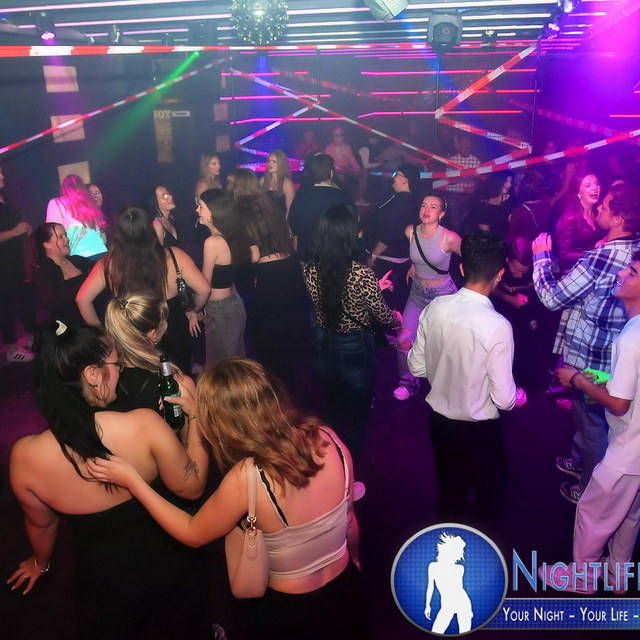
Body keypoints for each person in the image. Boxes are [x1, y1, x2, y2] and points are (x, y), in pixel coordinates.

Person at [87, 357, 366, 640]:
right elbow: (350, 520)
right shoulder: (329, 439)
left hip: (292, 614)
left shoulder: (249, 477)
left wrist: (134, 482)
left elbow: (192, 532)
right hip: (347, 590)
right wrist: (355, 560)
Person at [7, 322, 211, 639]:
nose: (121, 370)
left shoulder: (24, 457)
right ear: (92, 374)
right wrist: (195, 416)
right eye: (117, 364)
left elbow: (41, 524)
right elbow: (193, 487)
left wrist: (40, 563)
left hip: (104, 585)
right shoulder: (143, 425)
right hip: (169, 568)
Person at [532, 183, 640, 504]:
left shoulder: (601, 257)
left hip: (591, 358)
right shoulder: (633, 248)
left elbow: (552, 298)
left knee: (592, 424)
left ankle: (589, 488)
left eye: (605, 206)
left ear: (618, 219)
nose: (599, 209)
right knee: (587, 420)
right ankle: (582, 462)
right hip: (609, 353)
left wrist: (541, 258)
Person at [540, 251, 640, 594]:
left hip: (628, 451)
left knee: (592, 513)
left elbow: (620, 404)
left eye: (632, 272)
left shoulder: (630, 338)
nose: (622, 274)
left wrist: (577, 380)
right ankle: (617, 577)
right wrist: (604, 377)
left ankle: (581, 579)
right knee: (629, 515)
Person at [407, 230, 516, 528]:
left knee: (449, 491)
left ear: (463, 268)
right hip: (479, 431)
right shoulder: (497, 326)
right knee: (490, 497)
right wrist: (517, 395)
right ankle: (478, 545)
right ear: (500, 274)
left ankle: (449, 542)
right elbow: (504, 400)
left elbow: (416, 367)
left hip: (439, 424)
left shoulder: (435, 308)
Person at [305, 204, 400, 464]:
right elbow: (382, 315)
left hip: (322, 344)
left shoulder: (311, 267)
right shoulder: (361, 273)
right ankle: (351, 471)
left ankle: (332, 465)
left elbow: (334, 294)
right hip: (354, 348)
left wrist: (373, 287)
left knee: (332, 408)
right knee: (358, 415)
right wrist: (397, 319)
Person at [76, 206, 210, 373]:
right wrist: (192, 310)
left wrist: (103, 335)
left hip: (132, 332)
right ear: (149, 229)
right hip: (171, 325)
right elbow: (204, 289)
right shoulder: (174, 255)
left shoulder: (110, 264)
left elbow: (82, 299)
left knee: (141, 379)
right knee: (178, 377)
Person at [235, 193, 309, 391]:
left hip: (270, 280)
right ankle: (290, 385)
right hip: (290, 271)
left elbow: (251, 259)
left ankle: (275, 388)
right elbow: (293, 244)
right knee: (289, 336)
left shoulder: (248, 230)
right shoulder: (278, 223)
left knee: (269, 341)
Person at [394, 194, 461, 401]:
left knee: (445, 345)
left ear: (441, 214)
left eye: (433, 207)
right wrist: (415, 265)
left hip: (442, 296)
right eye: (424, 205)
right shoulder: (410, 232)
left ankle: (447, 387)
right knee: (403, 340)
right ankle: (408, 383)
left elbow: (471, 257)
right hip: (416, 294)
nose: (427, 210)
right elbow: (419, 254)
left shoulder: (449, 237)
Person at [197, 189, 249, 365]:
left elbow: (204, 286)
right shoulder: (232, 236)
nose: (197, 210)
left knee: (221, 367)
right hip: (233, 303)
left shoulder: (212, 242)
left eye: (201, 206)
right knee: (235, 362)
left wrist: (194, 310)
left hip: (220, 310)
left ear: (213, 212)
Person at [104, 290, 173, 413]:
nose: (166, 324)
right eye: (164, 321)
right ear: (153, 334)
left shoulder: (107, 376)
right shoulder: (168, 380)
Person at [363, 164, 420, 310]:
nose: (393, 177)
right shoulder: (401, 198)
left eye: (396, 174)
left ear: (405, 180)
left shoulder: (403, 203)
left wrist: (374, 254)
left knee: (379, 302)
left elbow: (390, 233)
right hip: (390, 258)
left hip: (386, 260)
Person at [289, 153, 354, 263]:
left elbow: (294, 230)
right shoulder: (344, 197)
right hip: (335, 258)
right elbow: (352, 227)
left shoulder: (300, 197)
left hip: (307, 257)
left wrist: (297, 255)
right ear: (331, 173)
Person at [0, 166, 35, 362]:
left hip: (17, 259)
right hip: (3, 263)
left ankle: (31, 338)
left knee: (26, 297)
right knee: (6, 304)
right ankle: (12, 348)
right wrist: (15, 232)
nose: (2, 176)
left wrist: (25, 228)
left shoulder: (5, 198)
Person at [32, 223, 95, 327]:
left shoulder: (76, 260)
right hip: (72, 328)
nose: (67, 239)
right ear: (46, 244)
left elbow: (100, 268)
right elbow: (52, 302)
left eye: (65, 235)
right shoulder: (43, 271)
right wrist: (87, 285)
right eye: (61, 236)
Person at [46, 174, 107, 260]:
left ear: (64, 188)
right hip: (101, 251)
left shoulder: (56, 203)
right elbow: (100, 233)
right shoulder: (88, 203)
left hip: (80, 255)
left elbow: (51, 231)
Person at [554, 172, 603, 273]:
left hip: (591, 266)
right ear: (578, 193)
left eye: (597, 184)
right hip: (575, 271)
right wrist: (594, 250)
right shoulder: (570, 218)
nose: (595, 188)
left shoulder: (598, 210)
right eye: (588, 185)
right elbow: (564, 255)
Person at [425, 532, 473, 634]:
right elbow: (430, 587)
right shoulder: (433, 566)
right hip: (447, 605)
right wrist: (427, 605)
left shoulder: (460, 568)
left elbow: (459, 588)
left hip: (463, 603)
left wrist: (468, 611)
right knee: (436, 631)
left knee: (465, 633)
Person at [325, 127, 368, 206]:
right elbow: (327, 163)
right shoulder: (329, 148)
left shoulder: (347, 147)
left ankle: (358, 199)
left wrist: (358, 169)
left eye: (341, 136)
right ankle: (341, 201)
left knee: (364, 176)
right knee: (340, 177)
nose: (340, 138)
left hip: (346, 170)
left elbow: (352, 159)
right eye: (337, 136)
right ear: (334, 138)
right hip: (334, 171)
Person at [507, 171, 553, 242]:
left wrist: (511, 221)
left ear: (522, 190)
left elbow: (513, 237)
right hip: (545, 243)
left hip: (529, 247)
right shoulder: (546, 203)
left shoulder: (518, 212)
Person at [467, 170, 514, 239]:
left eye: (510, 182)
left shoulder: (509, 199)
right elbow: (484, 231)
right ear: (498, 181)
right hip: (490, 241)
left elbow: (513, 223)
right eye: (506, 181)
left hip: (506, 240)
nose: (509, 185)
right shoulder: (483, 203)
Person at [260, 149, 295, 217]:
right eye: (269, 161)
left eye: (274, 161)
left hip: (280, 221)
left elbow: (290, 210)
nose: (270, 164)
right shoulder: (263, 181)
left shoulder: (286, 183)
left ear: (281, 164)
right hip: (265, 220)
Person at [145, 184, 179, 248]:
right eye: (164, 196)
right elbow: (157, 252)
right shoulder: (157, 224)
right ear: (155, 202)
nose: (171, 197)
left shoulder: (172, 218)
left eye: (169, 194)